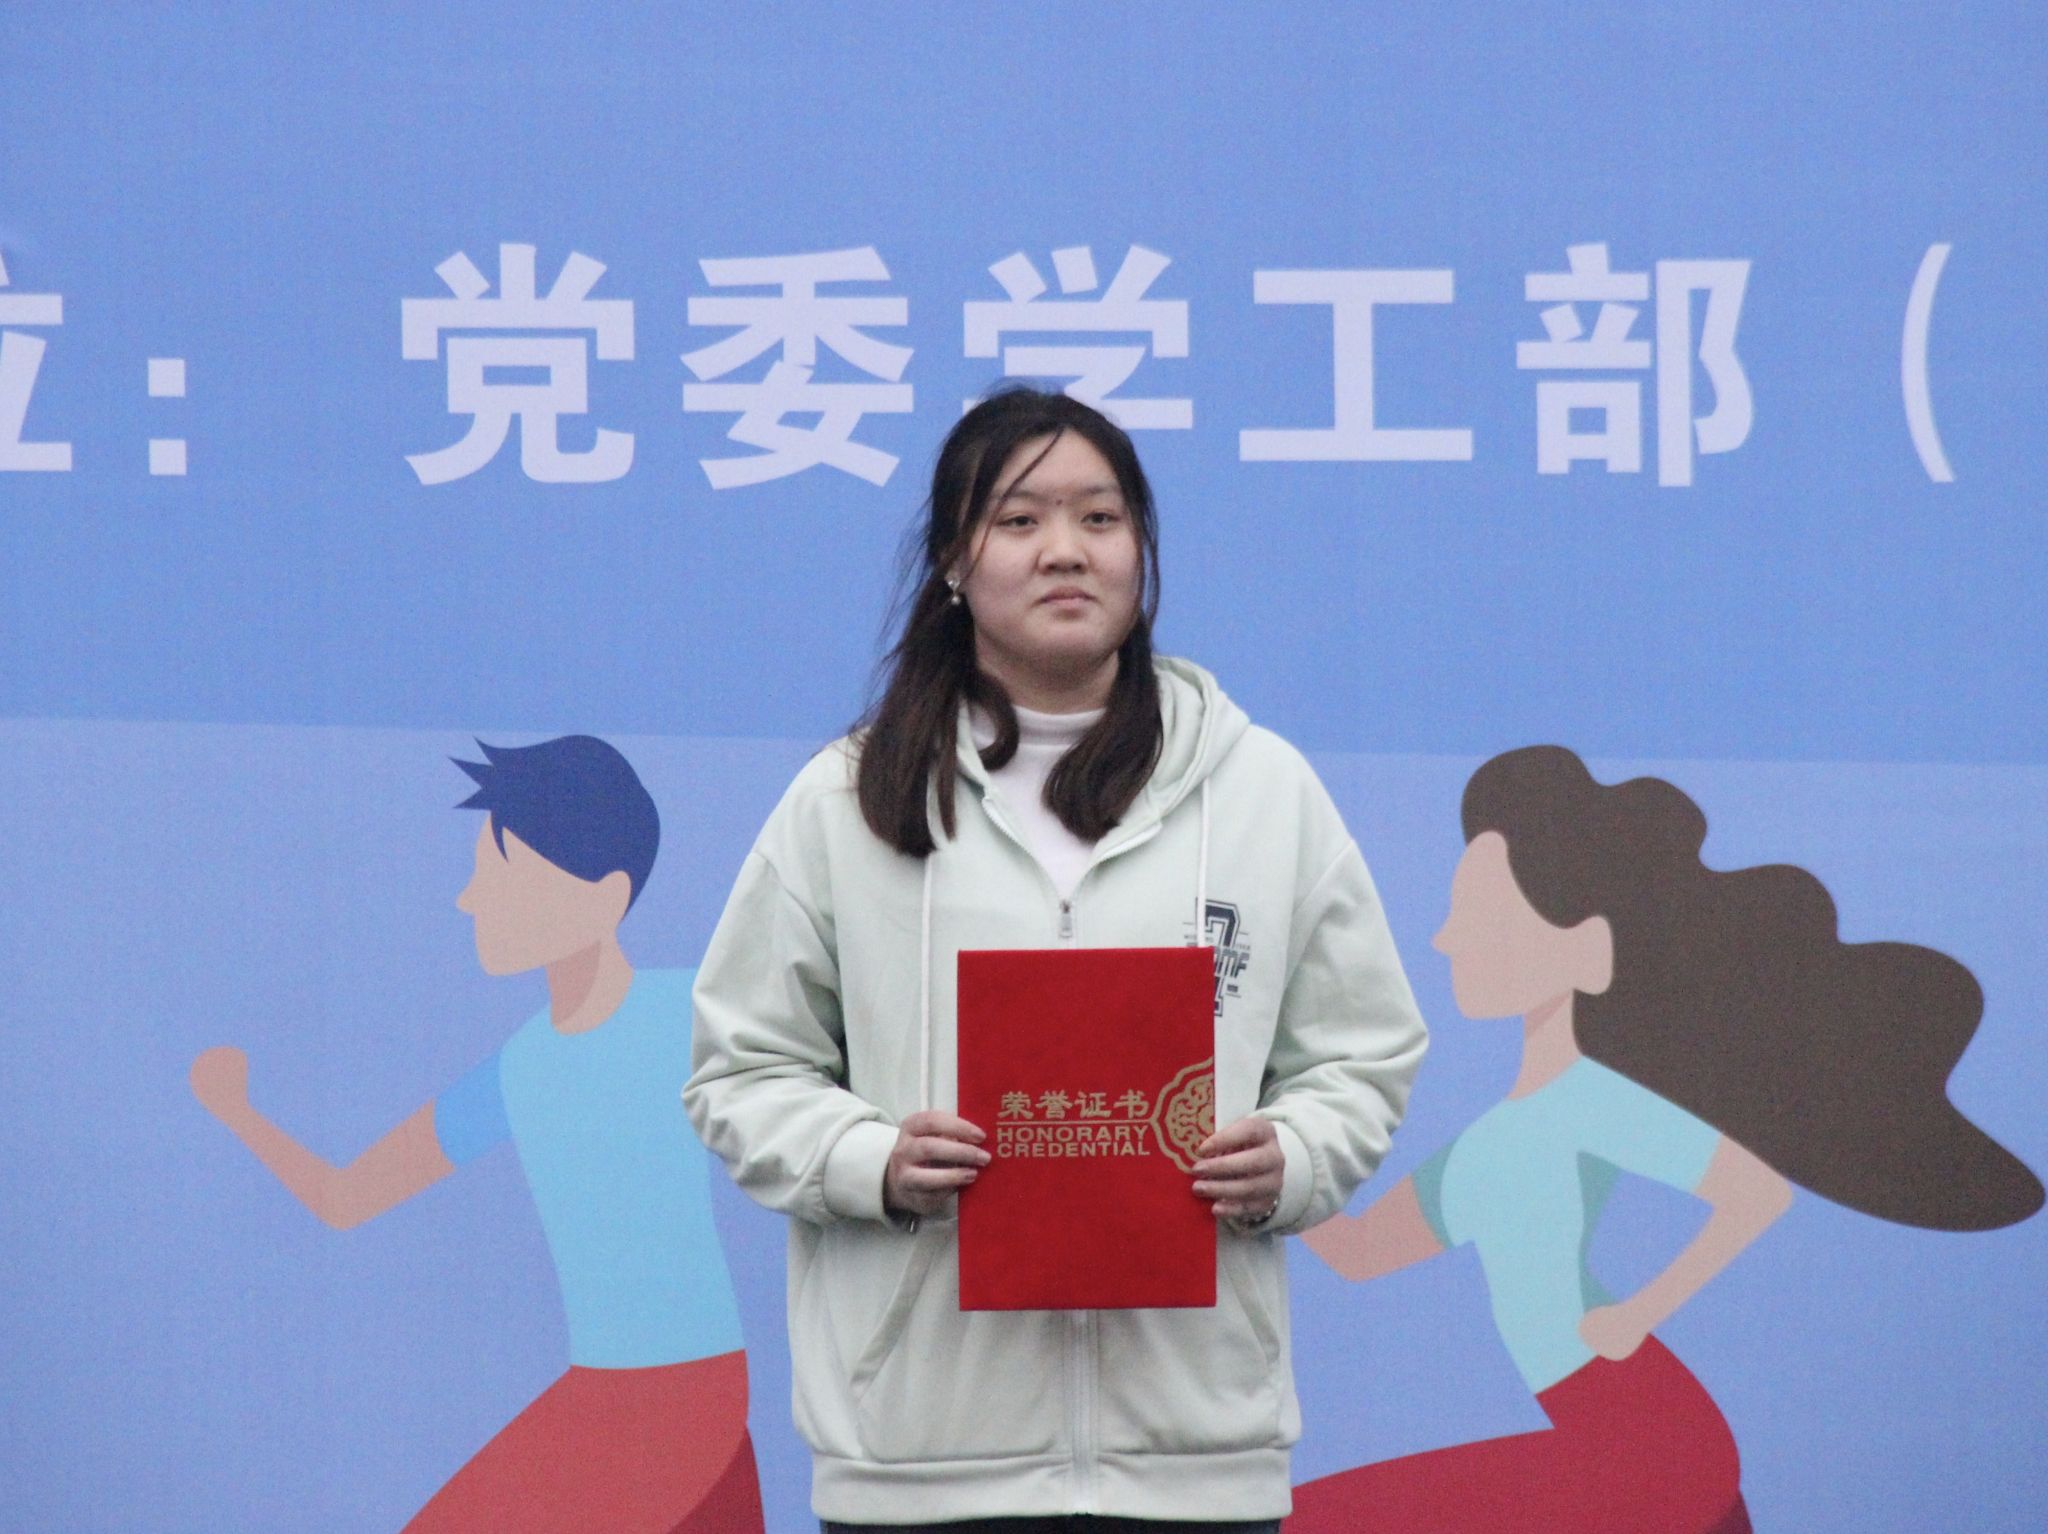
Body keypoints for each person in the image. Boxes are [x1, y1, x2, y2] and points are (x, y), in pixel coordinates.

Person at [684, 386, 1431, 1532]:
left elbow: (1361, 1051)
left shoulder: (1262, 790)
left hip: (1194, 1457)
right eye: (1019, 520)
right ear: (952, 561)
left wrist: (1291, 1157)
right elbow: (742, 1069)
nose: (1065, 551)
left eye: (1099, 517)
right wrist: (870, 1160)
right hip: (918, 1462)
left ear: (1140, 551)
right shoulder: (846, 799)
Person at [1291, 745, 2042, 1534]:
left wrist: (1639, 1311)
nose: (1444, 939)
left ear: (1587, 950)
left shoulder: (1591, 1102)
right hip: (1595, 1431)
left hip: (1646, 1434)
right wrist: (1274, 1129)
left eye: (1480, 914)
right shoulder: (1483, 1149)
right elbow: (1358, 1252)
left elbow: (1756, 1195)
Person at [191, 735, 764, 1534]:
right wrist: (239, 1112)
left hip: (681, 1396)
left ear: (604, 898)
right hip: (619, 1396)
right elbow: (348, 1197)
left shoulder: (689, 1016)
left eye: (501, 874)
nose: (469, 899)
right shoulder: (520, 1070)